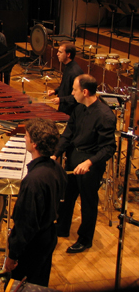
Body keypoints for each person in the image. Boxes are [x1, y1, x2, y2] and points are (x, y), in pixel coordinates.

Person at [51, 74, 116, 253]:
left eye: (74, 90)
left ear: (85, 92)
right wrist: (55, 154)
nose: (72, 93)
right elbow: (68, 134)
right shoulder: (78, 109)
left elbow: (108, 148)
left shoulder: (105, 116)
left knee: (88, 202)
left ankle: (85, 239)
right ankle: (62, 228)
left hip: (90, 165)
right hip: (73, 159)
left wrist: (89, 162)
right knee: (66, 196)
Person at [4, 118, 67, 287]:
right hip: (48, 237)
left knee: (22, 285)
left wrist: (12, 256)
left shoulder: (33, 181)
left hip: (33, 246)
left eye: (26, 136)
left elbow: (25, 224)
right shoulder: (56, 167)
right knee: (39, 284)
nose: (24, 138)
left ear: (35, 144)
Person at [47, 42, 83, 115]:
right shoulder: (68, 67)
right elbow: (66, 86)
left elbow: (77, 96)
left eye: (60, 52)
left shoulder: (74, 72)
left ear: (68, 54)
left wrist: (61, 100)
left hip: (70, 112)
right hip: (64, 108)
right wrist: (55, 91)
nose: (57, 54)